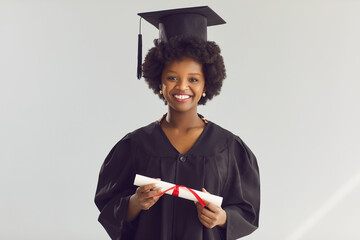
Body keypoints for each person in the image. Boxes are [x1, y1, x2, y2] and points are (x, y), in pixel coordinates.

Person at [94, 6, 260, 240]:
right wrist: (134, 202)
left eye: (193, 79)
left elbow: (247, 211)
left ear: (206, 85)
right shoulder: (135, 144)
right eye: (172, 77)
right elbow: (108, 205)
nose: (182, 86)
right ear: (159, 83)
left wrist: (222, 218)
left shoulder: (228, 147)